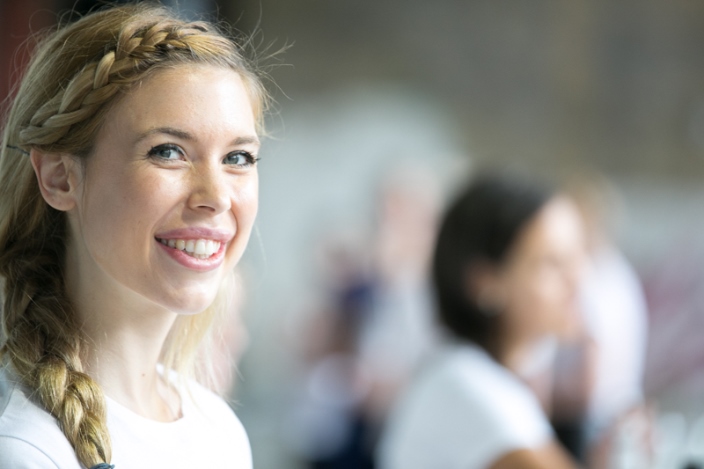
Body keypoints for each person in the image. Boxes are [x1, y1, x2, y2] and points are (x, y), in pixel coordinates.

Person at [0, 4, 267, 468]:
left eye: (238, 158)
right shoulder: (28, 449)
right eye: (169, 151)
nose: (216, 197)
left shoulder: (219, 431)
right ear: (60, 178)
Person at [377, 173, 586, 469]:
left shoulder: (478, 378)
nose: (578, 280)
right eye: (552, 263)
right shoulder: (466, 385)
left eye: (577, 259)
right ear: (484, 281)